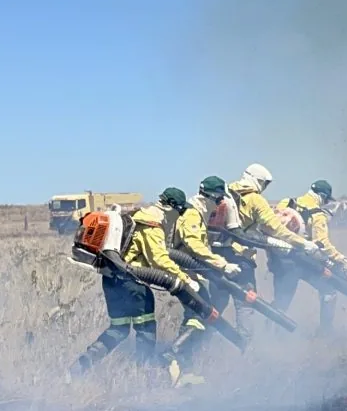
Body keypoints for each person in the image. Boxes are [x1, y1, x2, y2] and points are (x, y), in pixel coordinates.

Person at [70, 188, 202, 378]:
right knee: (145, 329)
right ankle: (143, 375)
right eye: (179, 212)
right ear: (172, 208)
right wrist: (186, 280)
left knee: (118, 330)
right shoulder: (152, 225)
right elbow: (159, 260)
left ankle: (78, 369)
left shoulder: (138, 215)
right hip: (133, 284)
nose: (179, 217)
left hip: (112, 281)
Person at [207, 163, 317, 343]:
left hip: (216, 257)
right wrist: (303, 243)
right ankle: (244, 346)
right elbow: (276, 229)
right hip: (240, 259)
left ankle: (200, 345)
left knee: (215, 305)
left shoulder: (225, 193)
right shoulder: (255, 199)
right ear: (258, 181)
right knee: (245, 304)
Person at [161, 176, 243, 384]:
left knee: (195, 314)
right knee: (201, 311)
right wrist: (223, 265)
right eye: (218, 200)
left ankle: (180, 368)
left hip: (187, 272)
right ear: (211, 197)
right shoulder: (192, 214)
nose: (219, 205)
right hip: (184, 273)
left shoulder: (191, 212)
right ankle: (175, 353)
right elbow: (194, 245)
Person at [270, 179, 347, 335]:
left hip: (280, 260)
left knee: (282, 300)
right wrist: (343, 262)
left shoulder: (286, 202)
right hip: (305, 262)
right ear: (322, 196)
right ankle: (325, 331)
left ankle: (269, 334)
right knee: (329, 290)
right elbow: (323, 243)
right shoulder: (317, 215)